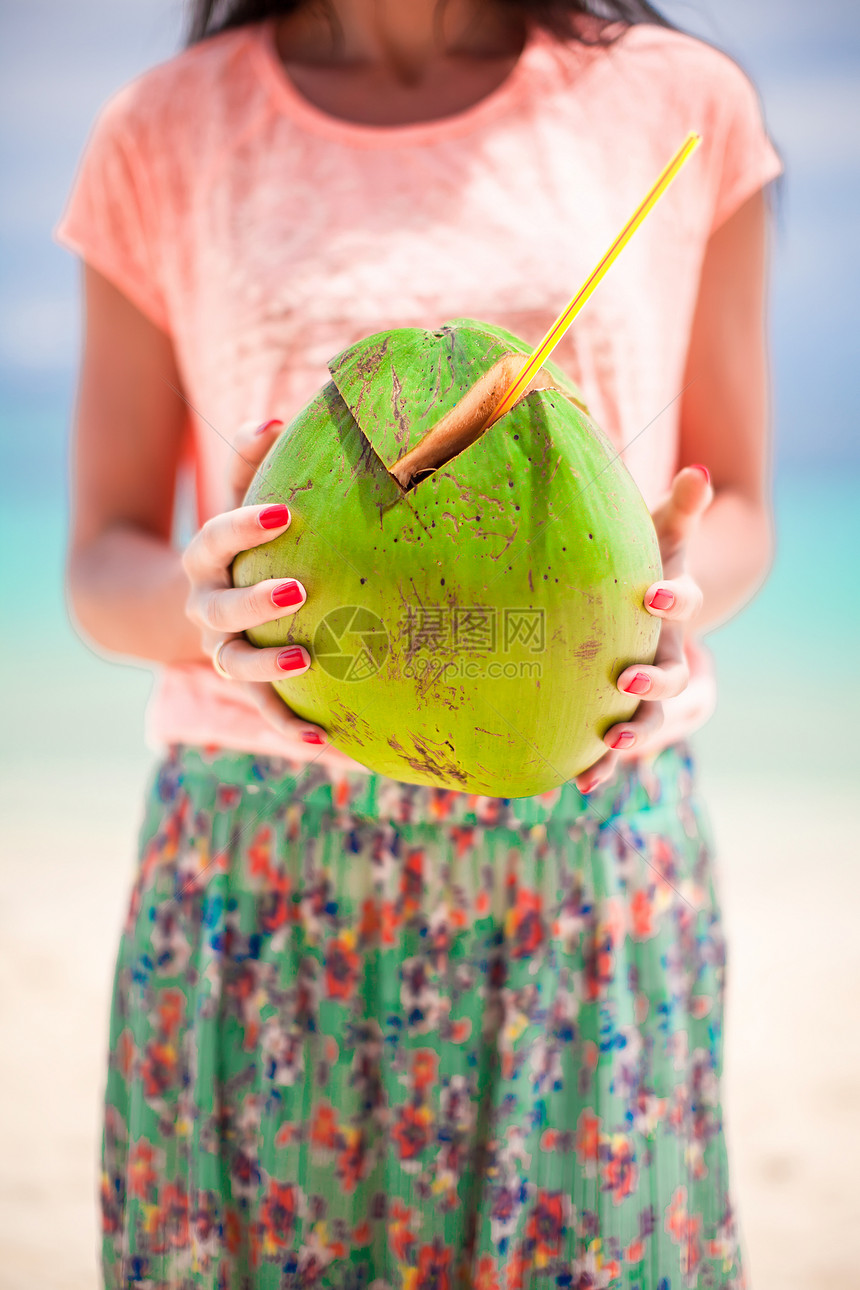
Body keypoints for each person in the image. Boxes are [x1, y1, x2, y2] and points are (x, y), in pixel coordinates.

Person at [53, 0, 781, 1285]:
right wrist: (215, 614)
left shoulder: (684, 104)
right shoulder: (164, 131)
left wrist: (666, 589)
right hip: (255, 870)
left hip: (585, 857)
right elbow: (104, 560)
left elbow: (742, 514)